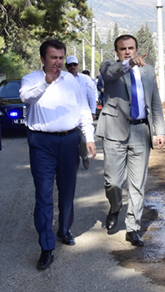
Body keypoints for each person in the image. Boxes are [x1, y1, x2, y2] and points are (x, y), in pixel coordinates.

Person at [20, 39, 96, 270]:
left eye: (61, 58)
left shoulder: (72, 81)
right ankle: (47, 247)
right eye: (53, 58)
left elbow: (83, 109)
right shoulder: (31, 79)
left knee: (67, 190)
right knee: (43, 194)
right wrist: (46, 81)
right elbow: (26, 98)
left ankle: (64, 230)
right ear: (43, 59)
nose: (58, 62)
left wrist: (89, 137)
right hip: (42, 142)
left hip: (70, 141)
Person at [97, 34, 165, 247]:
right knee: (113, 182)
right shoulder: (109, 66)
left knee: (138, 184)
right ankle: (115, 207)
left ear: (137, 49)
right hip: (114, 132)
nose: (127, 51)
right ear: (117, 52)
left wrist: (159, 130)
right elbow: (109, 74)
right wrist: (127, 64)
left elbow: (155, 102)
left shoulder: (148, 70)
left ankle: (132, 227)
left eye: (131, 48)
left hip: (140, 131)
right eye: (123, 49)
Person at [66, 55, 97, 169]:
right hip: (68, 115)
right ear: (67, 66)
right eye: (70, 65)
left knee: (83, 139)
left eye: (74, 65)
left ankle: (84, 156)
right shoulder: (62, 78)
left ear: (78, 65)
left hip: (82, 113)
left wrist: (93, 111)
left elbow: (91, 96)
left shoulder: (85, 79)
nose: (72, 67)